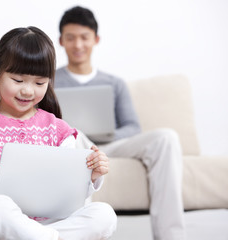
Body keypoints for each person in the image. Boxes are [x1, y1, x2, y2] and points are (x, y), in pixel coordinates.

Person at [0, 26, 117, 240]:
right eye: (18, 80)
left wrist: (91, 176)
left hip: (50, 221)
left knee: (104, 214)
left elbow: (71, 196)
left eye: (39, 83)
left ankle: (41, 237)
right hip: (0, 224)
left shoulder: (58, 130)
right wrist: (3, 172)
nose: (28, 90)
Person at [55, 6, 186, 240]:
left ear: (96, 40)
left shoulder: (115, 83)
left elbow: (132, 127)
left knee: (167, 137)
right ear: (61, 41)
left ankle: (171, 236)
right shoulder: (49, 81)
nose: (78, 45)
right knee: (74, 137)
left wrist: (105, 134)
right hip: (74, 145)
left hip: (111, 145)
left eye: (84, 37)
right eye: (71, 38)